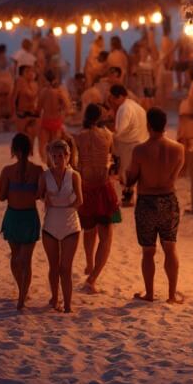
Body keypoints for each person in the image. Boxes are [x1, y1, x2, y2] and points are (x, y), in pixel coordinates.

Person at [126, 108, 185, 303]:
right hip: (168, 200)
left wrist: (124, 177)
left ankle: (150, 294)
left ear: (148, 125)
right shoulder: (178, 149)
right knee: (170, 248)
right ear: (165, 125)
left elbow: (131, 179)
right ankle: (171, 295)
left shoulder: (140, 150)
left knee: (148, 251)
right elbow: (174, 177)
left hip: (147, 202)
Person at [74, 104, 118, 293]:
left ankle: (90, 263)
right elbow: (114, 159)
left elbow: (75, 163)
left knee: (89, 229)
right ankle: (92, 279)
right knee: (106, 236)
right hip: (102, 187)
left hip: (85, 186)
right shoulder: (108, 136)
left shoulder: (79, 137)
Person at [0, 133, 43, 310]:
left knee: (16, 258)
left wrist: (13, 189)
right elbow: (41, 195)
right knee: (26, 260)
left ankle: (22, 294)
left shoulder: (7, 171)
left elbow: (1, 196)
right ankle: (22, 294)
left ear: (13, 150)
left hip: (14, 216)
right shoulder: (38, 170)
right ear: (30, 149)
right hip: (29, 216)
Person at [39, 139, 82, 313]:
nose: (57, 159)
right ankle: (55, 298)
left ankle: (68, 305)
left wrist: (59, 201)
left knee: (66, 268)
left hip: (70, 224)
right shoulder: (45, 175)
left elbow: (80, 200)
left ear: (68, 156)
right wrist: (45, 198)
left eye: (61, 156)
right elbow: (39, 195)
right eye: (54, 156)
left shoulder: (74, 176)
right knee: (53, 266)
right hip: (50, 224)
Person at [111, 83, 148, 206]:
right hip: (141, 142)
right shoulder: (135, 106)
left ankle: (128, 198)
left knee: (127, 172)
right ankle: (134, 197)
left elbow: (121, 129)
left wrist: (111, 135)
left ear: (119, 96)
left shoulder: (124, 108)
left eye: (113, 98)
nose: (112, 101)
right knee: (137, 171)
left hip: (129, 144)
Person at [36, 68, 71, 159]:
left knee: (43, 149)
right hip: (57, 121)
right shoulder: (60, 92)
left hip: (46, 120)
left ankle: (46, 165)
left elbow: (38, 109)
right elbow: (67, 107)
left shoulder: (43, 92)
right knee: (55, 148)